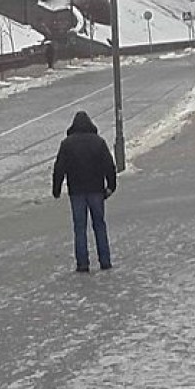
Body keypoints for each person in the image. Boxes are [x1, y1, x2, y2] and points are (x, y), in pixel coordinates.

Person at [52, 111, 117, 273]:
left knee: (80, 228)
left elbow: (59, 168)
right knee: (100, 225)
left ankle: (82, 263)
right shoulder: (99, 142)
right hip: (96, 190)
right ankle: (105, 261)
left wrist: (57, 189)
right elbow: (109, 165)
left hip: (77, 192)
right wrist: (111, 186)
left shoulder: (67, 144)